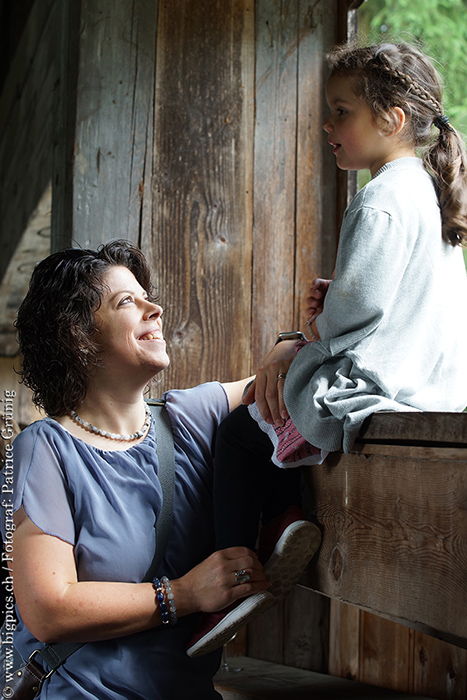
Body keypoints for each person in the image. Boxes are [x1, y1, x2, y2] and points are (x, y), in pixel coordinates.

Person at [187, 40, 467, 656]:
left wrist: (301, 338)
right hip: (428, 387)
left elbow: (351, 316)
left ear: (391, 118)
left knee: (237, 434)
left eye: (341, 111)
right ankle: (284, 519)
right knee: (262, 428)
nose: (327, 125)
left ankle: (234, 574)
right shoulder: (427, 192)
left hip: (371, 390)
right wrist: (342, 296)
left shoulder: (381, 196)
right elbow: (392, 299)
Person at [4, 240, 274, 699]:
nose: (156, 308)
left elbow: (272, 381)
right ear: (78, 333)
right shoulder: (44, 449)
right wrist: (186, 593)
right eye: (127, 301)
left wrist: (289, 346)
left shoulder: (190, 415)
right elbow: (49, 609)